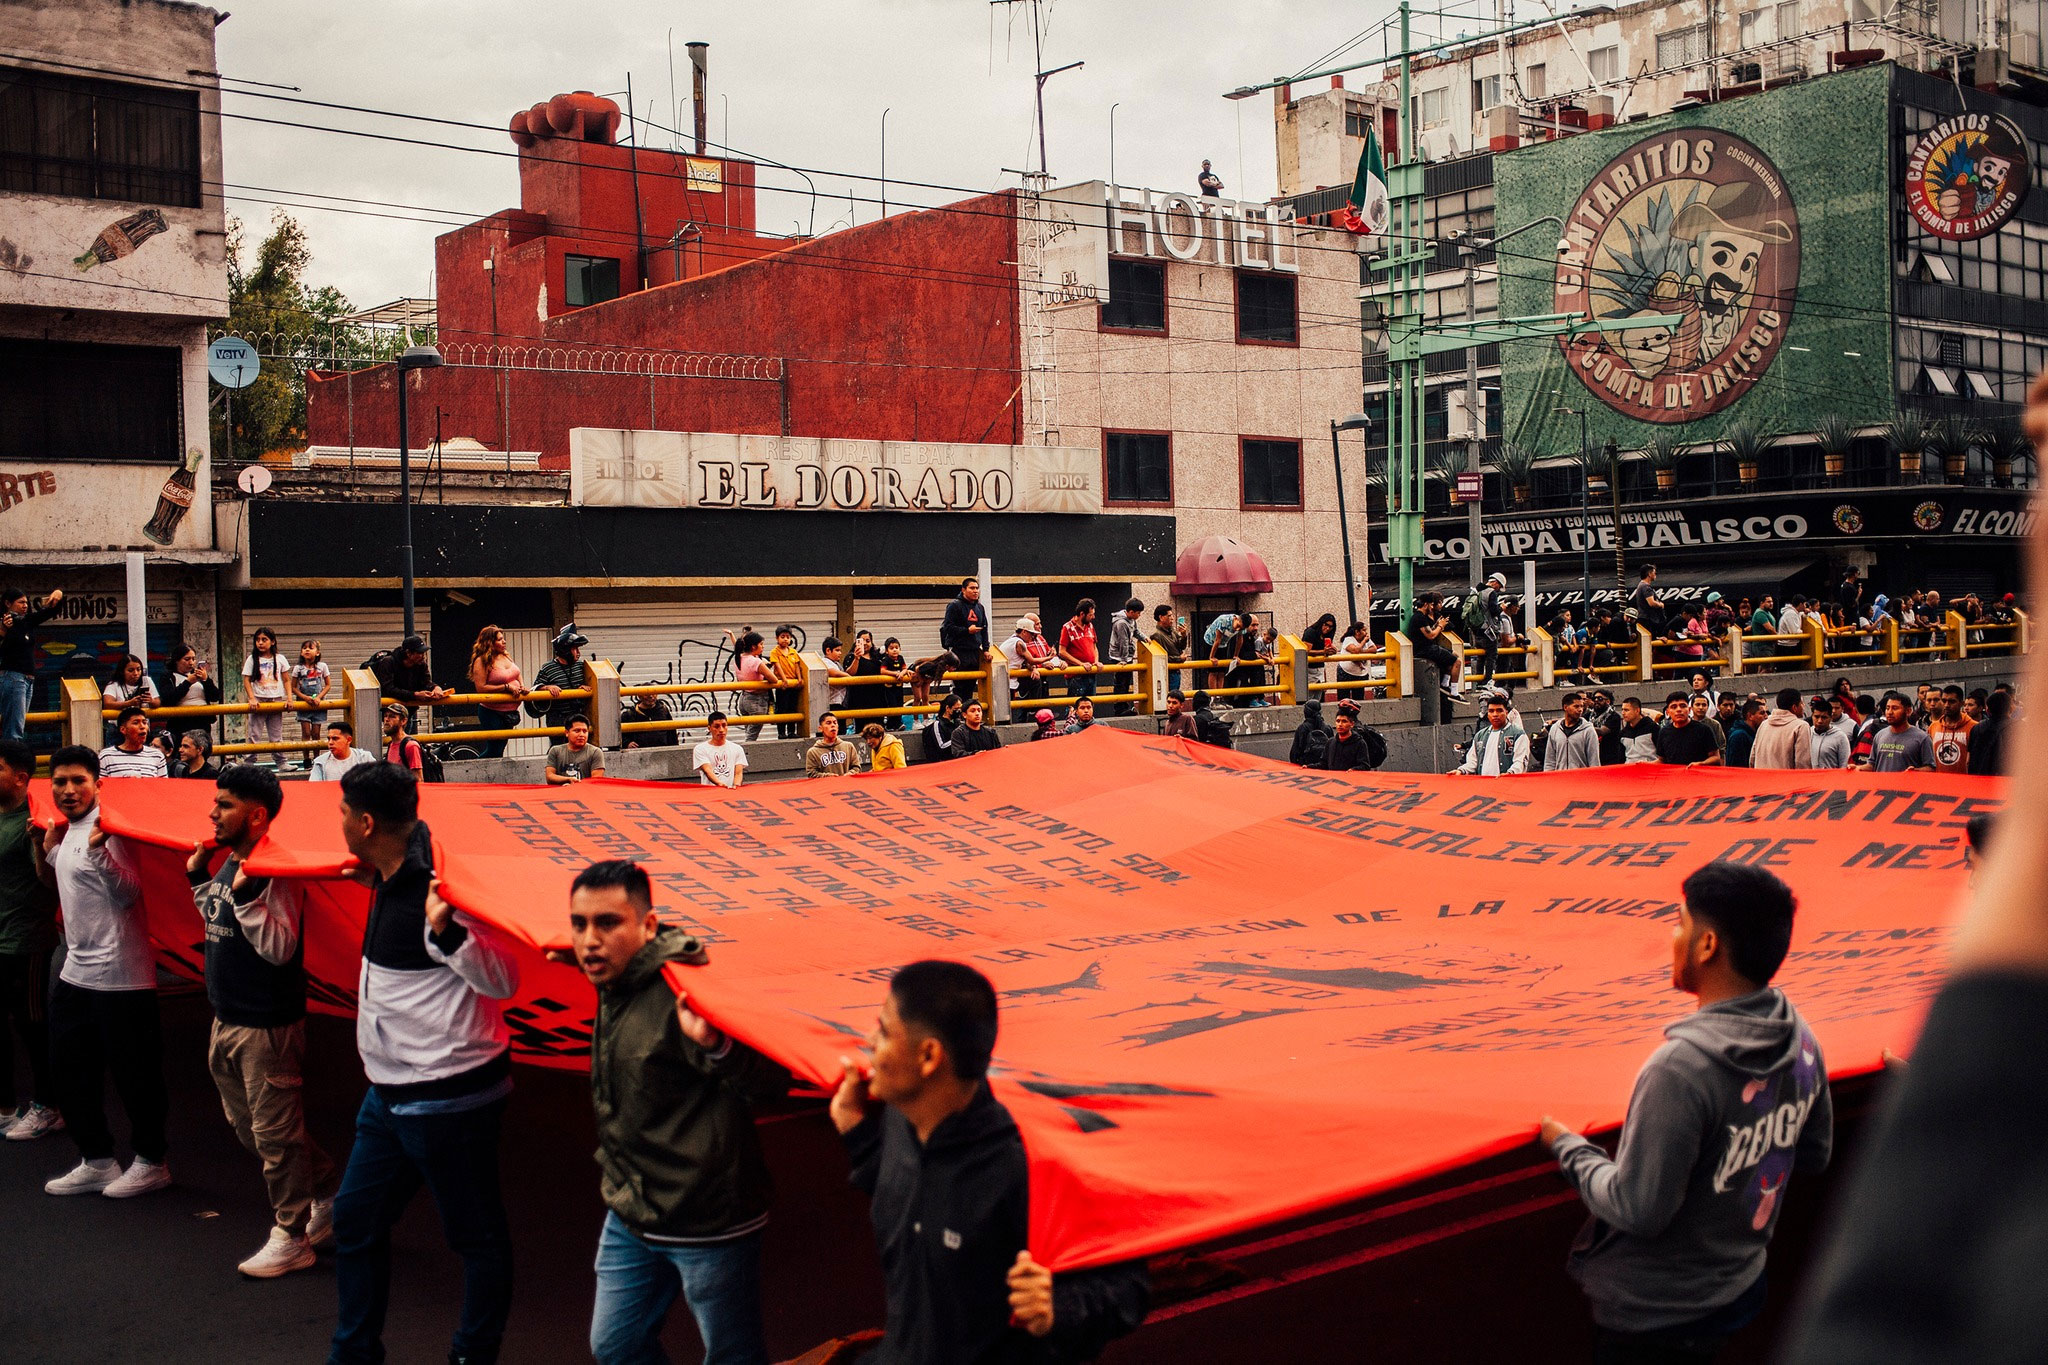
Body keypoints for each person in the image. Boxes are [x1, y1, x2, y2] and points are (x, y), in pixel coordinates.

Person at [1538, 862, 1830, 1365]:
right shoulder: (1801, 1038)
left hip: (1657, 1318)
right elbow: (1814, 1153)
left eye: (1679, 922)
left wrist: (1566, 1146)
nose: (1672, 936)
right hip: (1741, 1285)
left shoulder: (1679, 1071)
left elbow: (1640, 1209)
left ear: (1707, 945)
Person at [828, 961, 1149, 1364]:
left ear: (929, 1056)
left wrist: (1058, 1308)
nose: (870, 1041)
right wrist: (857, 1134)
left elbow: (1128, 1289)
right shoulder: (899, 1118)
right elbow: (914, 1200)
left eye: (885, 1030)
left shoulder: (1027, 1166)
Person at [329, 761, 520, 1365]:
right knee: (355, 1224)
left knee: (476, 1237)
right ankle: (354, 1354)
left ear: (364, 823)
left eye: (340, 814)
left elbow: (503, 979)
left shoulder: (445, 890)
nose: (336, 824)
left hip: (450, 1099)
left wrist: (449, 933)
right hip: (388, 1097)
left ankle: (473, 1354)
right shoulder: (391, 871)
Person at [563, 861, 789, 1365]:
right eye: (579, 925)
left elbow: (774, 1084)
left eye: (607, 923)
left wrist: (716, 1044)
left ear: (647, 926)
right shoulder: (615, 978)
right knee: (616, 1347)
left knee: (733, 1356)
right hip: (632, 1208)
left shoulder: (688, 992)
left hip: (708, 1219)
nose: (589, 940)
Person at [187, 765, 341, 1277]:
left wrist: (251, 894)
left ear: (255, 816)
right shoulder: (234, 860)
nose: (213, 811)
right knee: (252, 1130)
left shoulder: (276, 869)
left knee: (275, 1136)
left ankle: (291, 1236)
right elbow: (218, 918)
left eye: (224, 804)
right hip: (227, 1017)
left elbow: (279, 949)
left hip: (267, 1025)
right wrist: (197, 878)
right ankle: (328, 1190)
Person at [36, 745, 172, 1197]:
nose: (69, 790)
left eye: (78, 781)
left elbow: (129, 893)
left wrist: (98, 855)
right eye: (60, 782)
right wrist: (52, 853)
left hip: (121, 975)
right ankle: (97, 1160)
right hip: (77, 970)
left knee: (136, 1075)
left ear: (99, 783)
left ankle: (152, 1161)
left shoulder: (112, 831)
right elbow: (74, 873)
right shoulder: (71, 830)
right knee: (68, 1069)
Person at [0, 739, 60, 1142]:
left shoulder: (35, 822)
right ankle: (6, 1106)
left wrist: (41, 847)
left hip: (27, 939)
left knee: (32, 1023)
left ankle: (49, 1106)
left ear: (21, 778)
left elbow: (51, 883)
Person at [1, 586, 63, 743]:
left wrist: (58, 593)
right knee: (14, 729)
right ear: (8, 603)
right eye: (20, 602)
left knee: (19, 725)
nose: (25, 605)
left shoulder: (25, 622)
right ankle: (10, 763)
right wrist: (2, 630)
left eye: (26, 602)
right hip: (14, 677)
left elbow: (49, 612)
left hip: (28, 679)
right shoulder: (4, 622)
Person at [466, 626, 527, 760]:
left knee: (501, 747)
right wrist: (506, 687)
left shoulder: (505, 656)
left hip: (510, 711)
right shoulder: (481, 660)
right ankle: (475, 770)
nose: (504, 642)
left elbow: (517, 673)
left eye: (503, 639)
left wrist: (521, 686)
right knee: (494, 748)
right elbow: (481, 688)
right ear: (490, 643)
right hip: (491, 711)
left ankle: (491, 777)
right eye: (500, 640)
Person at [372, 632, 454, 726]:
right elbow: (388, 689)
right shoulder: (388, 663)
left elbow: (426, 682)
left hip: (408, 712)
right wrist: (414, 695)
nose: (423, 656)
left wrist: (435, 688)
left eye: (423, 652)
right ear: (408, 653)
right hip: (387, 714)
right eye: (419, 653)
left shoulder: (421, 664)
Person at [526, 624, 591, 736]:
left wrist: (585, 687)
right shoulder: (548, 668)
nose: (578, 652)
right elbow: (534, 690)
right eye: (574, 649)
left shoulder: (581, 666)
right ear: (565, 650)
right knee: (559, 749)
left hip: (578, 717)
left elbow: (591, 685)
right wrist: (547, 687)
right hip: (557, 718)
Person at [241, 627, 289, 764]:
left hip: (276, 699)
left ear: (272, 642)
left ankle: (281, 762)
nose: (260, 643)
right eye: (257, 640)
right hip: (258, 699)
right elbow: (246, 680)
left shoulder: (280, 658)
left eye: (264, 640)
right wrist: (251, 698)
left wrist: (289, 698)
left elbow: (286, 679)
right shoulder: (252, 659)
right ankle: (249, 762)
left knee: (276, 734)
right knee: (254, 734)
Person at [1858, 691, 1935, 773]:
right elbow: (1871, 765)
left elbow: (1931, 768)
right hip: (1881, 785)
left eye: (1895, 708)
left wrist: (1915, 772)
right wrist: (1856, 769)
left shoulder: (1922, 738)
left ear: (1908, 711)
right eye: (1887, 708)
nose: (1890, 712)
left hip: (1907, 785)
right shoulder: (1879, 735)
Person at [940, 579, 991, 701]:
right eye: (971, 588)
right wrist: (966, 630)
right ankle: (956, 715)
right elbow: (948, 627)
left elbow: (984, 629)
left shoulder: (980, 607)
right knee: (959, 687)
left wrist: (986, 649)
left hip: (974, 651)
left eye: (977, 588)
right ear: (963, 590)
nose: (975, 591)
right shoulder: (954, 605)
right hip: (958, 650)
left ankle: (967, 715)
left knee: (970, 686)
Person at [1406, 593, 1464, 694]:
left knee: (1454, 655)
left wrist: (1437, 624)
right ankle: (1455, 692)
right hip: (1424, 649)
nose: (1432, 607)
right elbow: (1431, 635)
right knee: (1457, 662)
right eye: (1431, 605)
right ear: (1425, 604)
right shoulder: (1419, 618)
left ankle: (1445, 684)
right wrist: (1440, 626)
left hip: (1428, 647)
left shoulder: (1422, 617)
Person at [287, 640, 331, 770]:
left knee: (316, 733)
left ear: (317, 652)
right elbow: (293, 687)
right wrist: (304, 698)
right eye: (304, 648)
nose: (307, 650)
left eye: (310, 648)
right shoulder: (298, 668)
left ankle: (317, 759)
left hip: (318, 704)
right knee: (306, 732)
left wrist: (319, 697)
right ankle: (306, 760)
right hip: (303, 704)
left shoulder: (322, 666)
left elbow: (328, 685)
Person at [1455, 697, 1527, 775]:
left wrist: (1510, 773)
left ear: (1506, 712)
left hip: (1508, 784)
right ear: (1488, 714)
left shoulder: (1518, 734)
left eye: (1499, 710)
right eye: (1491, 711)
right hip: (1484, 784)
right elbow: (1473, 761)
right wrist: (1461, 770)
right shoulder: (1480, 735)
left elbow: (1520, 761)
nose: (1495, 714)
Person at [101, 654, 161, 742]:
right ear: (122, 671)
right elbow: (107, 703)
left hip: (140, 727)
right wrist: (129, 703)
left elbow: (157, 702)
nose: (136, 673)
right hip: (117, 729)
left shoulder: (146, 681)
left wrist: (150, 701)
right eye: (131, 670)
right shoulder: (114, 684)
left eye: (138, 669)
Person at [1743, 689, 1807, 771]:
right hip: (1787, 781)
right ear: (1794, 707)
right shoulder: (1801, 726)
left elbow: (1752, 758)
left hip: (1761, 780)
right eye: (1801, 703)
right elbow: (1803, 764)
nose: (1804, 705)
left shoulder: (1764, 724)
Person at [730, 632, 777, 741]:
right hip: (757, 700)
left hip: (744, 699)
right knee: (751, 738)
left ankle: (745, 753)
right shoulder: (756, 662)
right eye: (761, 644)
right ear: (753, 646)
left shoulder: (739, 658)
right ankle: (745, 754)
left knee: (749, 733)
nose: (763, 647)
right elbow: (773, 679)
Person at [99, 705, 169, 779]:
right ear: (123, 729)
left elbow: (162, 788)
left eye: (144, 723)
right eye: (136, 723)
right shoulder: (106, 756)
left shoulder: (157, 756)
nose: (142, 727)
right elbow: (100, 787)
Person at [162, 643, 224, 724]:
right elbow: (168, 699)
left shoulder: (198, 674)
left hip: (202, 719)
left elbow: (216, 696)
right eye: (187, 659)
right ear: (177, 660)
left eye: (193, 659)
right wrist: (187, 683)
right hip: (181, 721)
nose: (191, 663)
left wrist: (206, 680)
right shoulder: (168, 677)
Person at [1654, 692, 1720, 767]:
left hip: (1698, 776)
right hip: (1673, 777)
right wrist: (1643, 765)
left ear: (1689, 709)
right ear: (1668, 712)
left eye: (1682, 706)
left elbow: (1716, 758)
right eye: (1674, 707)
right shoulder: (1664, 732)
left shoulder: (1703, 730)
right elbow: (1662, 760)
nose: (1679, 710)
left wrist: (1702, 763)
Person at [766, 625, 806, 739]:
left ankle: (791, 731)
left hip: (793, 685)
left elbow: (797, 666)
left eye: (788, 637)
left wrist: (799, 679)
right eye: (782, 636)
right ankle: (781, 732)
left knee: (792, 708)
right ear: (777, 638)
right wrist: (784, 680)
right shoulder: (775, 652)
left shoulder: (793, 652)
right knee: (782, 708)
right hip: (782, 686)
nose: (785, 639)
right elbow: (777, 666)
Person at [1544, 692, 1602, 770]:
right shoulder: (1555, 729)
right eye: (1576, 706)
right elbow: (1550, 760)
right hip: (1560, 778)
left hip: (1580, 779)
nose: (1580, 710)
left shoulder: (1588, 730)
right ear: (1565, 707)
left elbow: (1594, 761)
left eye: (1582, 706)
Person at [1000, 616, 1052, 703]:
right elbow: (1032, 660)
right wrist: (1048, 658)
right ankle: (1034, 708)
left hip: (1008, 678)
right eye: (1031, 633)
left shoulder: (1013, 640)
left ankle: (1032, 708)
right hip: (1006, 681)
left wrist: (1034, 668)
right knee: (1006, 708)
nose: (1032, 636)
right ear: (1024, 632)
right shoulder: (1019, 643)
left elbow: (1027, 662)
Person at [1927, 683, 1975, 775]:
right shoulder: (1934, 727)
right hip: (1939, 783)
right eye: (1944, 701)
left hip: (1964, 783)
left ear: (1962, 703)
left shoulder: (1973, 727)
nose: (1946, 705)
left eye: (1951, 701)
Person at [1057, 599, 1100, 701]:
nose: (1093, 617)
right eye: (1090, 615)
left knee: (1090, 704)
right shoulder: (1067, 628)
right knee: (1074, 705)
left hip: (1091, 672)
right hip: (1076, 675)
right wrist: (1081, 664)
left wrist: (1096, 662)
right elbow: (1062, 651)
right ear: (1082, 614)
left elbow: (1094, 646)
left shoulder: (1090, 626)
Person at [1106, 599, 1143, 714]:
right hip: (1119, 656)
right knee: (1120, 683)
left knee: (1126, 682)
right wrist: (1123, 659)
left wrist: (1144, 638)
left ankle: (1125, 706)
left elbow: (1135, 632)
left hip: (1127, 656)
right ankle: (1119, 708)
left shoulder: (1132, 621)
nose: (1139, 615)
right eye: (1138, 613)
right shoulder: (1121, 623)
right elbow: (1123, 642)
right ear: (1131, 612)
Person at [692, 712, 748, 788]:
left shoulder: (737, 748)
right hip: (710, 794)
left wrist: (736, 786)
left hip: (731, 793)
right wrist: (720, 784)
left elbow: (738, 773)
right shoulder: (700, 749)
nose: (721, 730)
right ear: (709, 728)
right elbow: (707, 770)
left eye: (724, 725)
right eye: (716, 726)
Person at [1319, 700, 1377, 772]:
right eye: (1338, 721)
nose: (1340, 724)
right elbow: (1323, 764)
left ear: (1352, 724)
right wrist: (1308, 767)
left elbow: (1365, 766)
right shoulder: (1330, 742)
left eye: (1344, 721)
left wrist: (1353, 770)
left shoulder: (1360, 743)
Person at [547, 715, 606, 785]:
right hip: (560, 793)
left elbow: (596, 781)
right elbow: (549, 777)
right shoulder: (555, 751)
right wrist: (568, 780)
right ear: (567, 733)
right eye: (577, 731)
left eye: (584, 731)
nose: (581, 735)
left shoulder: (595, 752)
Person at [1967, 687, 2010, 776]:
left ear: (1987, 710)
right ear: (2009, 708)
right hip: (2006, 780)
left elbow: (1969, 760)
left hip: (1981, 780)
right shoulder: (2018, 727)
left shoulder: (1977, 728)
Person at [805, 712, 860, 778]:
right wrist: (827, 776)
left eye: (835, 723)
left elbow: (857, 768)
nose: (833, 725)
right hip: (826, 787)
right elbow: (811, 774)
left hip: (847, 785)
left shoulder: (848, 746)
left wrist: (849, 774)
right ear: (820, 728)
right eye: (828, 723)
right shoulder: (813, 752)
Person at [380, 702, 424, 778]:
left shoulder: (411, 746)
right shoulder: (391, 744)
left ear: (403, 721)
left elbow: (418, 780)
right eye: (385, 716)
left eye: (392, 716)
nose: (386, 720)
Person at [921, 694, 964, 763]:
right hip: (943, 762)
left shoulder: (958, 723)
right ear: (947, 708)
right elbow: (941, 747)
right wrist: (958, 739)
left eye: (960, 709)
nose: (958, 712)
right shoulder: (937, 725)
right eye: (956, 709)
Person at [1723, 699, 1764, 770]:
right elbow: (1736, 766)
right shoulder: (1738, 736)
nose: (1766, 716)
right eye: (1762, 713)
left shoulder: (1754, 733)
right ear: (1750, 716)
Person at [1810, 699, 1850, 770]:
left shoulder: (1840, 737)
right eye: (1816, 717)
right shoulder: (1807, 733)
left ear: (1831, 717)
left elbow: (1844, 765)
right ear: (1812, 716)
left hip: (1831, 779)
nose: (1820, 721)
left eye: (1824, 717)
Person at [1628, 565, 1666, 633]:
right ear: (1649, 574)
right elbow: (1651, 603)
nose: (1655, 574)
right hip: (1647, 619)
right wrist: (1660, 604)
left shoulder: (1641, 585)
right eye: (1654, 573)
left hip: (1644, 617)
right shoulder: (1646, 587)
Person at [820, 636, 853, 712]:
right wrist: (848, 677)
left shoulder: (836, 664)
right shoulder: (825, 661)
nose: (840, 653)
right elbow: (833, 672)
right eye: (837, 650)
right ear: (828, 650)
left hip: (841, 701)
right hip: (833, 702)